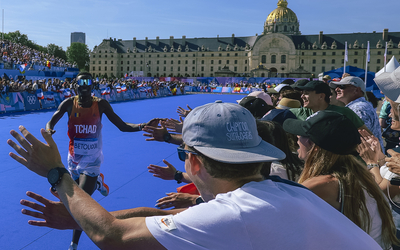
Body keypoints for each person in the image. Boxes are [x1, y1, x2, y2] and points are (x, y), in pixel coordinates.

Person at [9, 101, 383, 249]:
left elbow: (111, 237)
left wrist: (58, 174)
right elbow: (173, 218)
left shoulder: (239, 213)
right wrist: (79, 212)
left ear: (196, 164)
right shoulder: (284, 191)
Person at [44, 72, 160, 250]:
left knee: (80, 203)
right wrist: (49, 130)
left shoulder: (101, 104)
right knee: (73, 202)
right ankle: (98, 182)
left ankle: (73, 245)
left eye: (87, 81)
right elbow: (51, 122)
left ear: (92, 85)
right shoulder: (69, 104)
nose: (83, 85)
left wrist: (143, 126)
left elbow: (122, 126)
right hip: (73, 160)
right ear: (75, 85)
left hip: (92, 160)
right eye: (80, 82)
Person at [283, 110, 399, 249]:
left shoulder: (320, 185)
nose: (297, 138)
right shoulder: (359, 175)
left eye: (301, 135)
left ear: (314, 147)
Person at [289, 80, 372, 133]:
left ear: (321, 96)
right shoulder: (302, 112)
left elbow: (367, 137)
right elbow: (277, 113)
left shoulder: (344, 113)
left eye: (306, 93)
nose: (302, 96)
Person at [331, 76, 384, 150]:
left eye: (342, 86)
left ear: (356, 90)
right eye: (337, 87)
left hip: (365, 158)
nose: (337, 89)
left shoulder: (358, 108)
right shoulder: (360, 106)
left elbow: (360, 138)